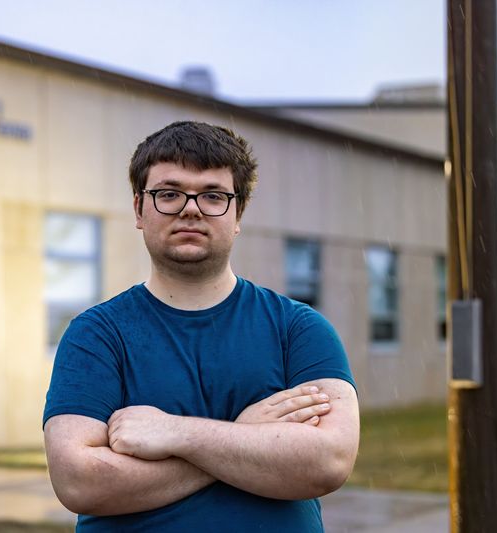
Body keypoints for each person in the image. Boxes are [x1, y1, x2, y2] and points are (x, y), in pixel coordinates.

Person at [43, 121, 359, 532]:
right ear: (140, 209)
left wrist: (177, 434)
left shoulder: (299, 329)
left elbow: (328, 461)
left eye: (212, 195)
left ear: (238, 212)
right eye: (169, 194)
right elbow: (79, 481)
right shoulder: (96, 334)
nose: (190, 208)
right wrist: (246, 438)